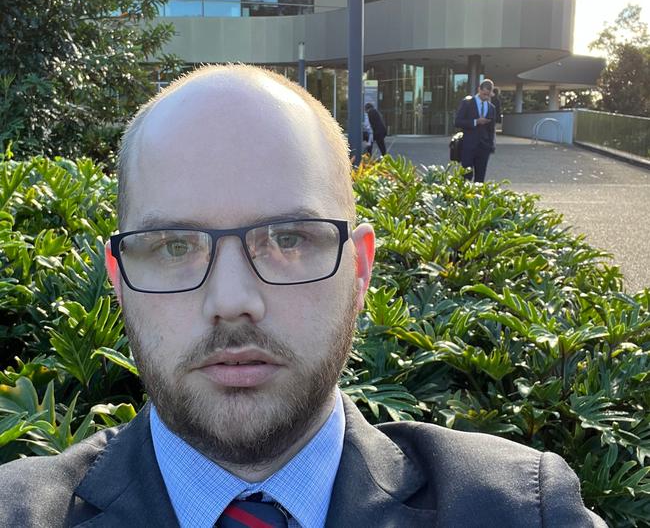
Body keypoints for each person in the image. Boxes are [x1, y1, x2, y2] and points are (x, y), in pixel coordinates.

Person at [0, 65, 605, 527]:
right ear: (119, 280)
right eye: (173, 246)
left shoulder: (520, 510)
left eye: (288, 238)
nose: (232, 300)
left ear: (360, 270)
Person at [454, 78, 497, 182]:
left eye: (488, 95)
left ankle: (478, 197)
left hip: (484, 147)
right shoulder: (467, 103)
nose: (485, 97)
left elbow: (492, 129)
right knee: (466, 176)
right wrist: (475, 122)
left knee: (480, 177)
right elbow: (457, 122)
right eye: (484, 94)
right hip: (468, 145)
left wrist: (491, 145)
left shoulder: (492, 108)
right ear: (479, 89)